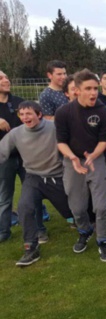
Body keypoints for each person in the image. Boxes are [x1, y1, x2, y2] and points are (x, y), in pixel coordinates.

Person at [0, 101, 74, 266]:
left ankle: (84, 223)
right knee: (24, 207)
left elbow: (71, 144)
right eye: (22, 114)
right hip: (33, 177)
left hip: (57, 177)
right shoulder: (16, 134)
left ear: (39, 114)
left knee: (72, 212)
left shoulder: (54, 128)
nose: (25, 117)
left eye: (29, 114)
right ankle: (30, 249)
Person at [55, 69, 106, 261]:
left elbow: (104, 140)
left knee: (101, 207)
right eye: (88, 88)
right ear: (77, 90)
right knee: (78, 208)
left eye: (95, 88)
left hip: (96, 160)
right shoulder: (64, 112)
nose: (93, 93)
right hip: (73, 161)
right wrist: (73, 158)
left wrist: (94, 155)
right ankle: (85, 230)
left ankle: (103, 241)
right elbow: (61, 142)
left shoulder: (104, 112)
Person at [0, 70, 29, 243]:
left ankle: (35, 227)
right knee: (4, 196)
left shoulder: (19, 102)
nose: (6, 80)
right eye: (1, 78)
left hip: (26, 156)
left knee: (32, 193)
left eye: (6, 77)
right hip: (4, 159)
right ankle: (4, 230)